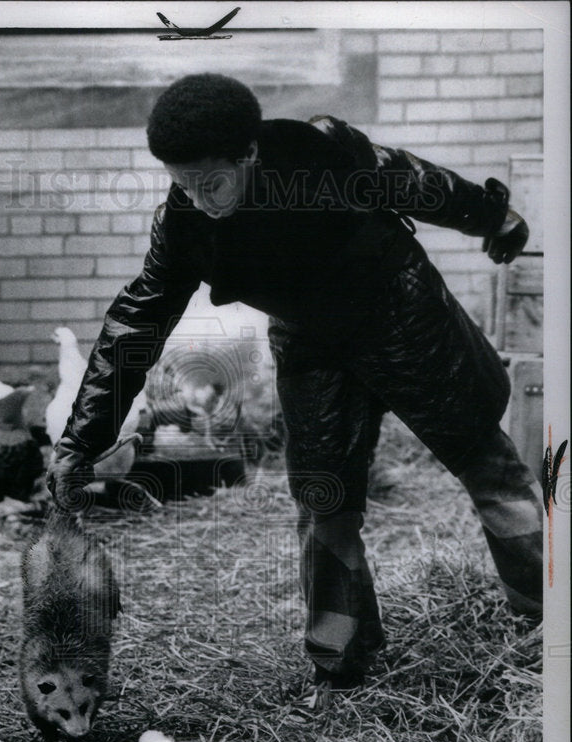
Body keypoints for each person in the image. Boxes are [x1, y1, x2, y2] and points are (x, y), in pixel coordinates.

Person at [47, 73, 543, 690]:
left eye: (212, 181)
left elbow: (418, 183)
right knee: (323, 499)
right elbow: (135, 323)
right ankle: (340, 660)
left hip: (401, 313)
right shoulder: (185, 225)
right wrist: (80, 441)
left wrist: (493, 216)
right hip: (310, 342)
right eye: (183, 183)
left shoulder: (323, 154)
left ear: (249, 154)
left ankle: (548, 619)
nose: (199, 198)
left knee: (486, 462)